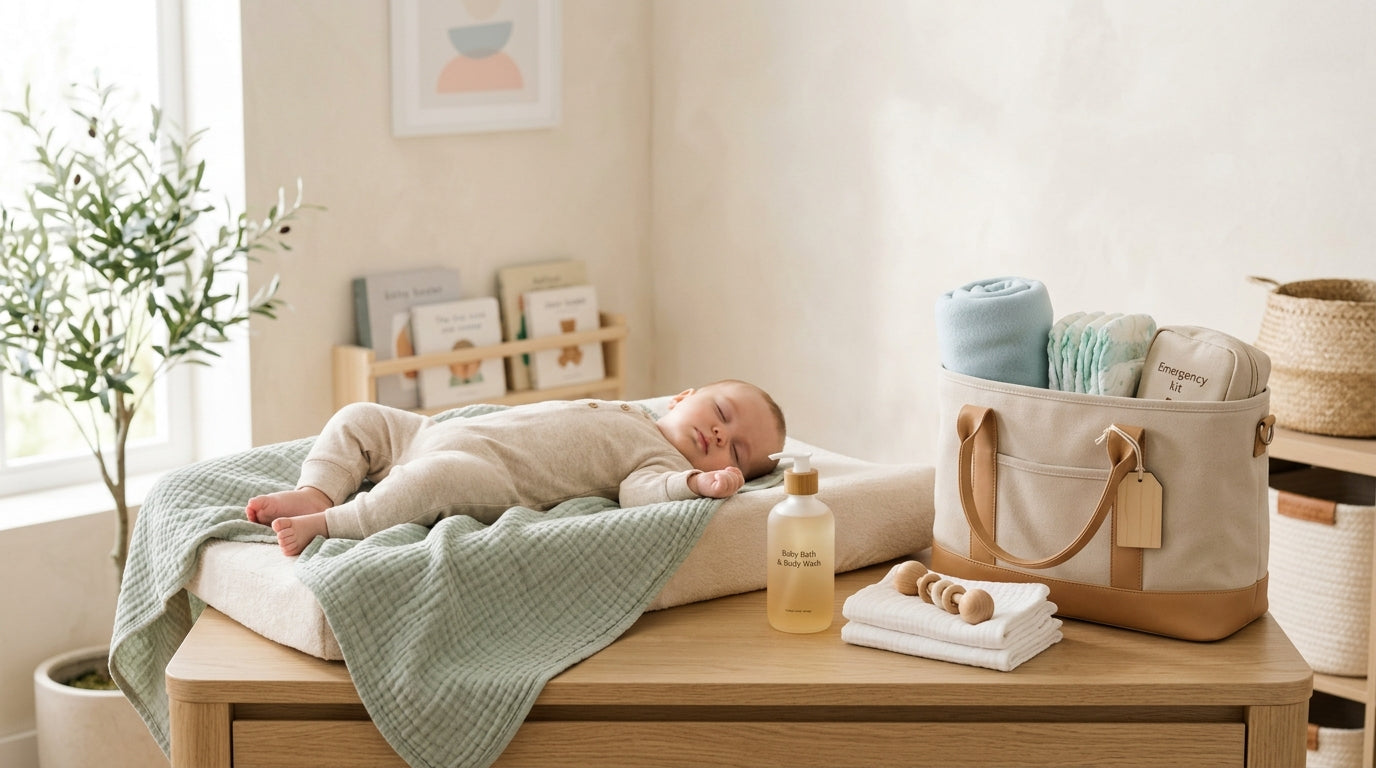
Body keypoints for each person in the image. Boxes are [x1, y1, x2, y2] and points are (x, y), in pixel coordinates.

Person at [247, 380, 787, 556]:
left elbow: (641, 495)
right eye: (721, 414)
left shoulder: (660, 461)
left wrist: (695, 483)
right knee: (359, 416)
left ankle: (331, 521)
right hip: (432, 431)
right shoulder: (634, 410)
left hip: (490, 473)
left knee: (432, 482)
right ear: (683, 397)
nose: (721, 435)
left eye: (737, 452)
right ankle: (317, 489)